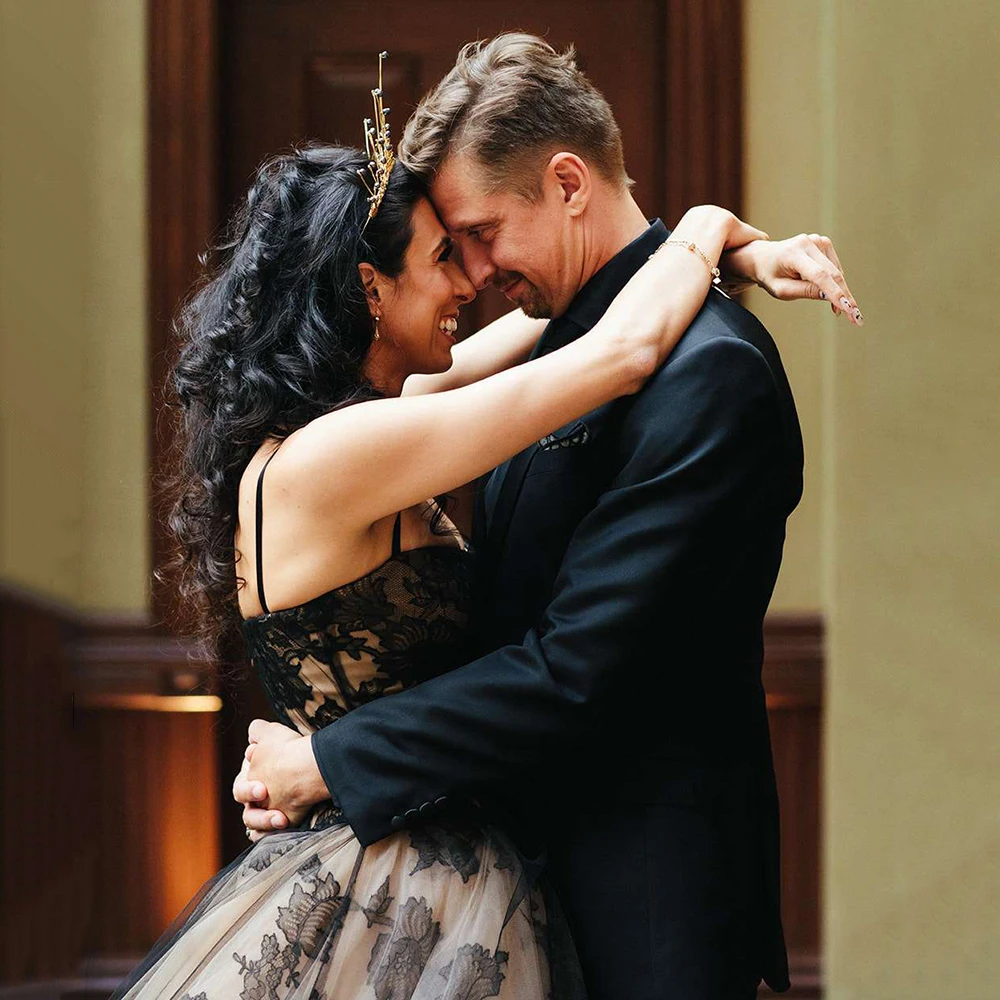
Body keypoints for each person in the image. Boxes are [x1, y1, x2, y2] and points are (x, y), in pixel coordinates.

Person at [232, 37, 861, 1000]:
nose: (474, 275)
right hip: (500, 896)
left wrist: (330, 760)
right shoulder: (545, 358)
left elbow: (577, 669)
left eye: (478, 234)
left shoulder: (712, 373)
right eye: (448, 250)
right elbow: (611, 339)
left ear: (567, 182)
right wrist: (714, 236)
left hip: (647, 911)